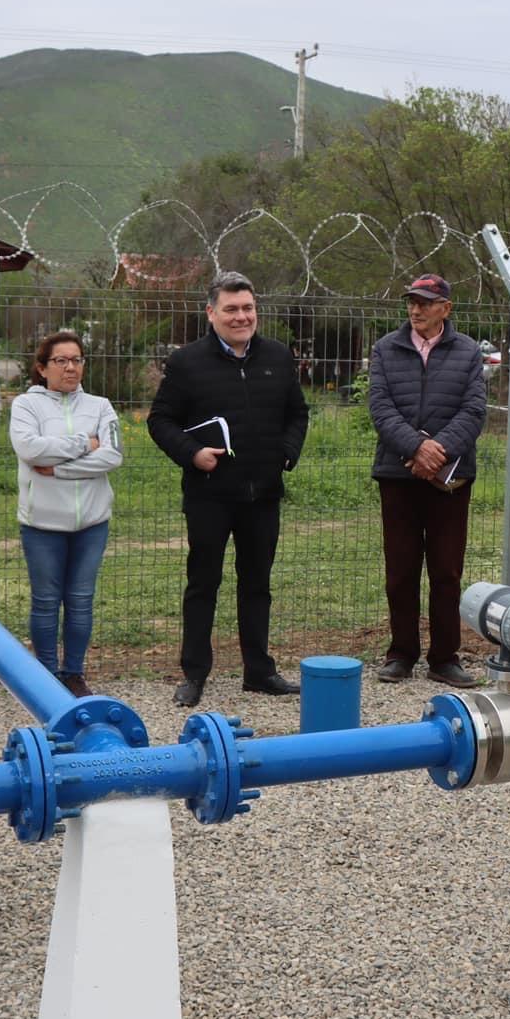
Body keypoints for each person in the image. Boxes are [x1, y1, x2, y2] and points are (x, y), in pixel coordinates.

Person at [147, 272, 310, 707]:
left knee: (257, 585)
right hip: (209, 496)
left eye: (248, 308)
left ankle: (259, 671)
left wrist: (287, 453)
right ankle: (194, 674)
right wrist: (192, 453)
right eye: (232, 309)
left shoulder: (277, 356)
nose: (242, 317)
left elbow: (297, 413)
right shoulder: (187, 363)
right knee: (203, 585)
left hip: (263, 495)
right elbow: (160, 421)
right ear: (211, 313)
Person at [365, 273, 487, 688]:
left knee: (446, 570)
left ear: (445, 309)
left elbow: (473, 411)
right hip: (397, 475)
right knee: (400, 570)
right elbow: (380, 409)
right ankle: (401, 653)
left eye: (425, 302)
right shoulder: (385, 349)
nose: (416, 309)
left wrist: (439, 452)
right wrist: (416, 450)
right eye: (411, 302)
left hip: (450, 479)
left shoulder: (469, 353)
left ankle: (444, 657)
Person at [10, 330, 123, 696]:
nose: (70, 367)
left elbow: (112, 456)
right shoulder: (27, 407)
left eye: (77, 359)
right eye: (61, 360)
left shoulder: (101, 406)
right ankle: (44, 676)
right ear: (42, 368)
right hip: (42, 524)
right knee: (45, 601)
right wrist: (82, 445)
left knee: (80, 600)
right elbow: (31, 450)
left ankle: (73, 673)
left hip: (91, 523)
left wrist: (59, 468)